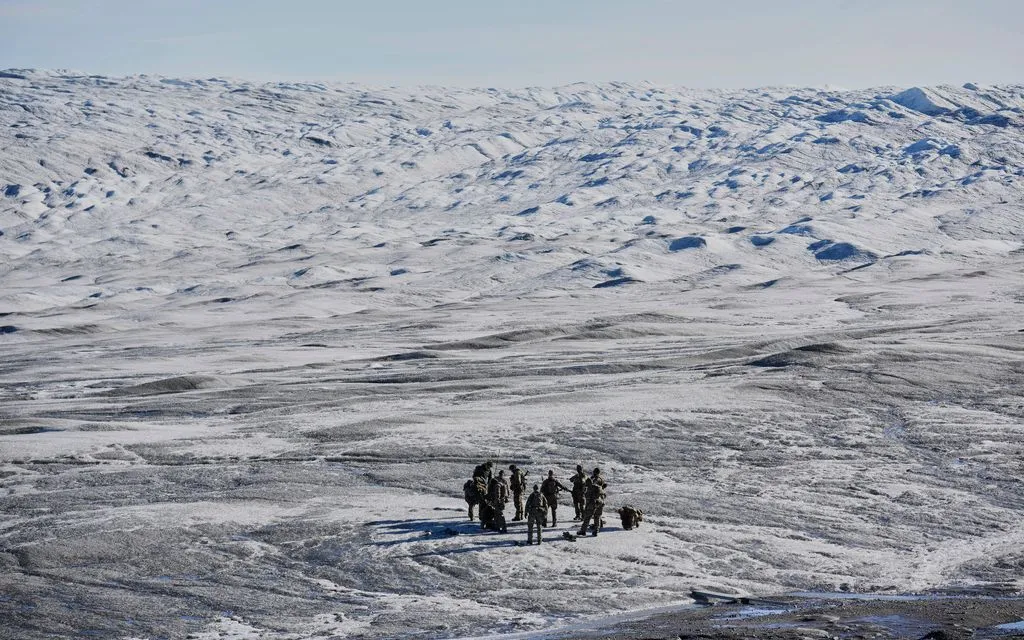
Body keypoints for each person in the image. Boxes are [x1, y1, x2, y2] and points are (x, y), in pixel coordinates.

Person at [578, 467, 606, 537]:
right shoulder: (601, 480)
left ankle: (583, 531)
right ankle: (596, 531)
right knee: (597, 517)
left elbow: (590, 484)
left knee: (588, 516)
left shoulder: (593, 480)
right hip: (600, 500)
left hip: (593, 501)